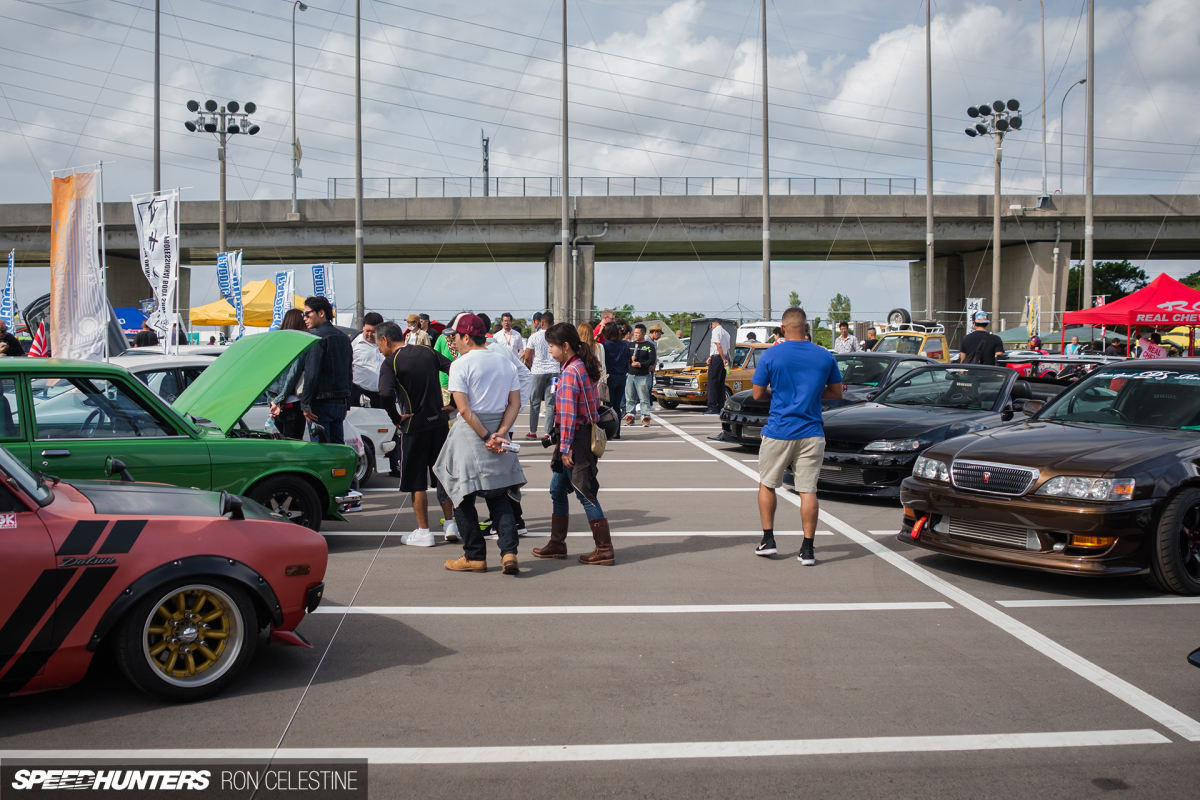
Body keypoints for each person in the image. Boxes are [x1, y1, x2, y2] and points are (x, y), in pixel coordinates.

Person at [433, 313, 525, 575]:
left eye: (455, 338)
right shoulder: (505, 362)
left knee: (461, 495)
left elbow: (463, 409)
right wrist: (501, 434)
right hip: (500, 429)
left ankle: (474, 556)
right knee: (498, 496)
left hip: (472, 433)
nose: (454, 344)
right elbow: (514, 403)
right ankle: (509, 553)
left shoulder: (460, 365)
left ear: (465, 336)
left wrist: (486, 436)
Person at [752, 307, 843, 566]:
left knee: (768, 484)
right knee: (808, 490)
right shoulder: (824, 355)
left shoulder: (771, 354)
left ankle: (768, 540)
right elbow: (836, 393)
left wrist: (778, 395)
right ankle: (808, 549)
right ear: (806, 328)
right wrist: (812, 396)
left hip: (779, 430)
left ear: (782, 329)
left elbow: (758, 395)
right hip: (812, 432)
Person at [531, 322, 614, 566]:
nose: (549, 351)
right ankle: (557, 543)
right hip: (581, 435)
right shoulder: (581, 366)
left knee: (584, 492)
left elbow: (566, 416)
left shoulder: (570, 372)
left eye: (551, 346)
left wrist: (565, 448)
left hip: (574, 439)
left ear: (565, 346)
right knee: (558, 490)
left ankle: (604, 549)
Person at [374, 321, 458, 547]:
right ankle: (450, 523)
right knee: (442, 473)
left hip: (413, 426)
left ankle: (424, 532)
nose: (379, 350)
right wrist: (454, 402)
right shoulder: (427, 351)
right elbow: (455, 368)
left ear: (385, 340)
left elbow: (385, 393)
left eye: (378, 345)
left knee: (417, 481)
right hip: (439, 422)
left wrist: (396, 418)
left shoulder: (390, 362)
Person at [300, 296, 352, 445]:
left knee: (321, 450)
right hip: (341, 401)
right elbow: (349, 372)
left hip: (320, 403)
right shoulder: (344, 338)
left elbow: (311, 373)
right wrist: (347, 401)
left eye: (307, 314)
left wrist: (305, 404)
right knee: (337, 449)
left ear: (321, 313)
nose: (304, 318)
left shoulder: (317, 337)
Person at [266, 309, 310, 440]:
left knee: (281, 447)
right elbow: (293, 376)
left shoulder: (275, 346)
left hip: (275, 406)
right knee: (294, 448)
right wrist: (280, 400)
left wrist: (273, 401)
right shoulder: (299, 344)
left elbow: (267, 377)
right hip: (291, 404)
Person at [523, 312, 558, 440]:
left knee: (535, 402)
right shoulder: (557, 336)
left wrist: (532, 366)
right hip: (554, 372)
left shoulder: (534, 337)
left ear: (541, 323)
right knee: (550, 403)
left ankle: (532, 432)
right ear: (553, 323)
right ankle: (548, 432)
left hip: (537, 371)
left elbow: (527, 356)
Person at [601, 321, 630, 438]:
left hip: (609, 377)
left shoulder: (604, 345)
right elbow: (628, 359)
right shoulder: (624, 344)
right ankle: (617, 431)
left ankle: (610, 430)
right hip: (622, 376)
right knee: (617, 406)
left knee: (608, 406)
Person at [350, 311, 384, 407]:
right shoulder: (354, 343)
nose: (369, 334)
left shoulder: (386, 343)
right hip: (360, 394)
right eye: (367, 331)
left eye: (373, 332)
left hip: (382, 396)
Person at [625, 323, 656, 427]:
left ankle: (645, 417)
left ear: (643, 334)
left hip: (643, 375)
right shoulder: (630, 345)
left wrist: (641, 364)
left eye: (638, 333)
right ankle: (630, 417)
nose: (636, 335)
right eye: (635, 332)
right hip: (630, 375)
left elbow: (651, 359)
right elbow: (625, 358)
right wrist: (630, 360)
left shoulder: (649, 346)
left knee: (644, 398)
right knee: (629, 398)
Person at [705, 319, 730, 415]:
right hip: (721, 357)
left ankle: (712, 407)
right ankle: (721, 406)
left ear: (714, 323)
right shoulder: (726, 333)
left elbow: (718, 345)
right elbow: (726, 348)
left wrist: (721, 358)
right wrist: (723, 358)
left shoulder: (715, 331)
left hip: (718, 358)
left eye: (712, 324)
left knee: (712, 383)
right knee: (720, 384)